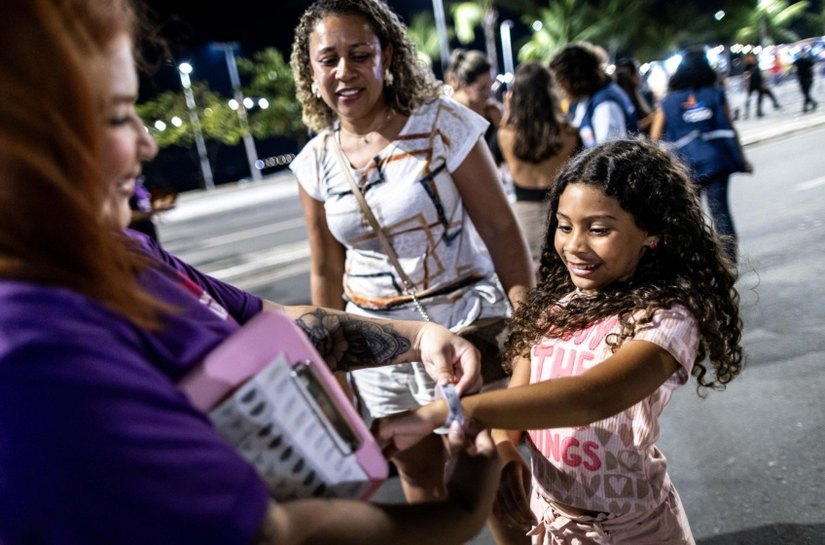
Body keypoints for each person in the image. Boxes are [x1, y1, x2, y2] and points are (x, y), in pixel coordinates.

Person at [0, 1, 503, 543]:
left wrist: (421, 337)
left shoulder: (126, 252)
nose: (147, 145)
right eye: (119, 116)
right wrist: (463, 510)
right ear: (23, 141)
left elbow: (275, 321)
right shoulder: (33, 348)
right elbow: (276, 532)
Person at [376, 139, 744, 544]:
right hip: (550, 523)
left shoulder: (667, 318)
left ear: (651, 233)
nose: (574, 245)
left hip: (634, 531)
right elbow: (519, 402)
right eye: (565, 226)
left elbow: (592, 397)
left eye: (599, 229)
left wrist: (450, 412)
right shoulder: (554, 308)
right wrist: (504, 450)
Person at [289, 0, 533, 506]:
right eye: (328, 59)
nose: (344, 72)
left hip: (466, 328)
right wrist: (335, 371)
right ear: (309, 72)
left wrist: (529, 327)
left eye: (360, 54)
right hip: (377, 349)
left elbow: (501, 231)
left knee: (492, 475)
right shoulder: (314, 162)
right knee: (421, 484)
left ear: (388, 57)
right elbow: (325, 269)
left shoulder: (442, 123)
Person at [650, 48, 752, 264]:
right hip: (716, 162)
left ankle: (696, 262)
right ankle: (729, 263)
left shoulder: (668, 103)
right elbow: (730, 129)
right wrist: (742, 159)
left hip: (683, 167)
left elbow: (655, 137)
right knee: (721, 214)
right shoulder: (715, 94)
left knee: (689, 216)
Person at [496, 62, 581, 266]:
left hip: (524, 216)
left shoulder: (505, 134)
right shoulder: (569, 133)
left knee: (533, 280)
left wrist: (507, 113)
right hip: (562, 214)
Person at [549, 42, 638, 148]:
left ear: (574, 78)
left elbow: (608, 153)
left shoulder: (605, 103)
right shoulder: (589, 98)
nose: (559, 88)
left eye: (560, 81)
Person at [446, 48, 504, 155]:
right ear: (464, 86)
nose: (489, 92)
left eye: (491, 85)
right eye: (482, 88)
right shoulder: (452, 113)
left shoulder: (491, 110)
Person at [613, 57, 655, 135]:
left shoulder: (642, 94)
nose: (640, 76)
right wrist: (656, 116)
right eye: (637, 72)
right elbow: (634, 126)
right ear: (631, 77)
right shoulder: (625, 101)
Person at [128, 176, 176, 242]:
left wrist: (157, 206)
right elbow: (127, 216)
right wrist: (153, 211)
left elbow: (144, 206)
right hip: (136, 233)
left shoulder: (138, 186)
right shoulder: (123, 189)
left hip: (148, 231)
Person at [742, 52, 780, 118]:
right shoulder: (747, 66)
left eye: (751, 57)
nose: (750, 58)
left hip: (759, 83)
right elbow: (745, 75)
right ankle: (747, 112)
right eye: (749, 57)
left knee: (763, 95)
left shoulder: (755, 64)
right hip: (752, 83)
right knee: (749, 98)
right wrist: (747, 77)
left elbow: (759, 74)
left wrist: (763, 82)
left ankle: (761, 110)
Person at [792, 48, 818, 113]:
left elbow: (794, 69)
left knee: (805, 93)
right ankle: (809, 105)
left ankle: (806, 106)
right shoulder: (808, 60)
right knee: (806, 93)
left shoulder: (798, 61)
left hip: (803, 78)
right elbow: (812, 68)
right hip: (808, 78)